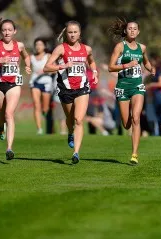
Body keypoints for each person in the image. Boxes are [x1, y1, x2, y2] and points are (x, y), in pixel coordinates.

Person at [43, 20, 98, 164]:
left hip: (82, 88)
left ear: (79, 33)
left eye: (75, 32)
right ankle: (70, 132)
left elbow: (91, 61)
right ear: (66, 34)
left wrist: (95, 71)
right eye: (70, 32)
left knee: (78, 120)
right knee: (70, 119)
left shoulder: (87, 49)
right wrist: (64, 65)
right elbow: (47, 67)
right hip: (65, 88)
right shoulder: (61, 49)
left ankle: (76, 153)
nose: (72, 35)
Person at [0, 18, 31, 160]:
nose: (7, 32)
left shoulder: (19, 45)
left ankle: (9, 148)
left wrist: (27, 65)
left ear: (14, 31)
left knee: (9, 113)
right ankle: (0, 122)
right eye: (4, 30)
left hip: (14, 84)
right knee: (2, 113)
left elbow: (26, 56)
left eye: (10, 30)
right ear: (1, 32)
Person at [108, 18, 155, 164]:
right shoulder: (120, 47)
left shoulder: (142, 48)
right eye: (130, 28)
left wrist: (151, 68)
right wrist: (127, 65)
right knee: (127, 124)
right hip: (122, 87)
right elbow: (110, 67)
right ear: (125, 31)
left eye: (135, 29)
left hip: (137, 86)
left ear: (138, 31)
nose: (132, 31)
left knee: (136, 117)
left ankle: (134, 154)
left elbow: (146, 62)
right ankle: (127, 122)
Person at [29, 38, 53, 135]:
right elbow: (26, 66)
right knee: (36, 104)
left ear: (44, 46)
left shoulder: (48, 56)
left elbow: (55, 69)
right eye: (36, 44)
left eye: (40, 44)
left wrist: (44, 70)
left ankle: (44, 114)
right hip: (34, 82)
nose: (38, 46)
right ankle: (39, 129)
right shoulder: (31, 57)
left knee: (45, 108)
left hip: (46, 82)